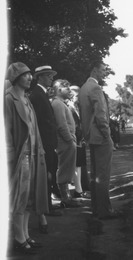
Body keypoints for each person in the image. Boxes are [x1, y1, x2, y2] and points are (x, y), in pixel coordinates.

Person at [4, 62, 49, 255]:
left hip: (34, 154)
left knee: (30, 198)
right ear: (16, 78)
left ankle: (26, 234)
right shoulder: (8, 99)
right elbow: (5, 131)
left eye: (30, 74)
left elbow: (34, 128)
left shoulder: (27, 99)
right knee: (19, 199)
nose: (30, 77)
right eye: (25, 75)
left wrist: (41, 151)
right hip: (20, 156)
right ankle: (19, 238)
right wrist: (9, 157)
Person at [79, 61, 121, 219]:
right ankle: (105, 211)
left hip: (91, 136)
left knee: (95, 174)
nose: (104, 73)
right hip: (101, 137)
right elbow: (101, 115)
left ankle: (96, 209)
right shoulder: (95, 88)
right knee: (103, 175)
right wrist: (107, 134)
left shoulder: (84, 88)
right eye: (103, 70)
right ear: (94, 70)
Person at [30, 65, 62, 229]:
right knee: (47, 175)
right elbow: (41, 122)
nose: (51, 78)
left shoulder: (40, 93)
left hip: (48, 142)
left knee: (50, 173)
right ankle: (46, 207)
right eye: (49, 76)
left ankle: (48, 205)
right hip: (44, 142)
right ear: (41, 77)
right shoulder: (37, 94)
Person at [51, 79, 81, 208]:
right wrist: (70, 140)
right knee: (64, 169)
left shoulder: (60, 103)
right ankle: (65, 198)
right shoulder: (57, 104)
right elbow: (61, 125)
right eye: (66, 88)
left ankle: (66, 197)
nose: (69, 90)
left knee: (67, 169)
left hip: (67, 141)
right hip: (64, 142)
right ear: (58, 90)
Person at [69, 86, 90, 199]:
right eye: (76, 95)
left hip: (79, 141)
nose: (78, 97)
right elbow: (73, 126)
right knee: (76, 166)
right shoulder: (70, 108)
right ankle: (78, 191)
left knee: (79, 166)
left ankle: (80, 189)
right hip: (75, 141)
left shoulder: (76, 108)